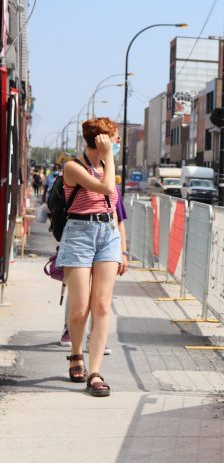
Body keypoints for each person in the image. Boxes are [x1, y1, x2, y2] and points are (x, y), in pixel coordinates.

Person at [55, 117, 121, 397]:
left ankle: (95, 372)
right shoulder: (73, 167)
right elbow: (106, 188)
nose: (117, 144)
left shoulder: (106, 165)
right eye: (114, 139)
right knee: (80, 308)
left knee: (103, 306)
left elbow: (113, 204)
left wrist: (123, 247)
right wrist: (108, 158)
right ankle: (75, 354)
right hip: (80, 234)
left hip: (108, 234)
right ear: (102, 141)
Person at [59, 183, 128, 351]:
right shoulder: (77, 179)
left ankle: (95, 336)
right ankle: (70, 329)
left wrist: (124, 253)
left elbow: (118, 221)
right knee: (79, 296)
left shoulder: (113, 187)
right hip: (78, 240)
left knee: (101, 299)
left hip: (106, 244)